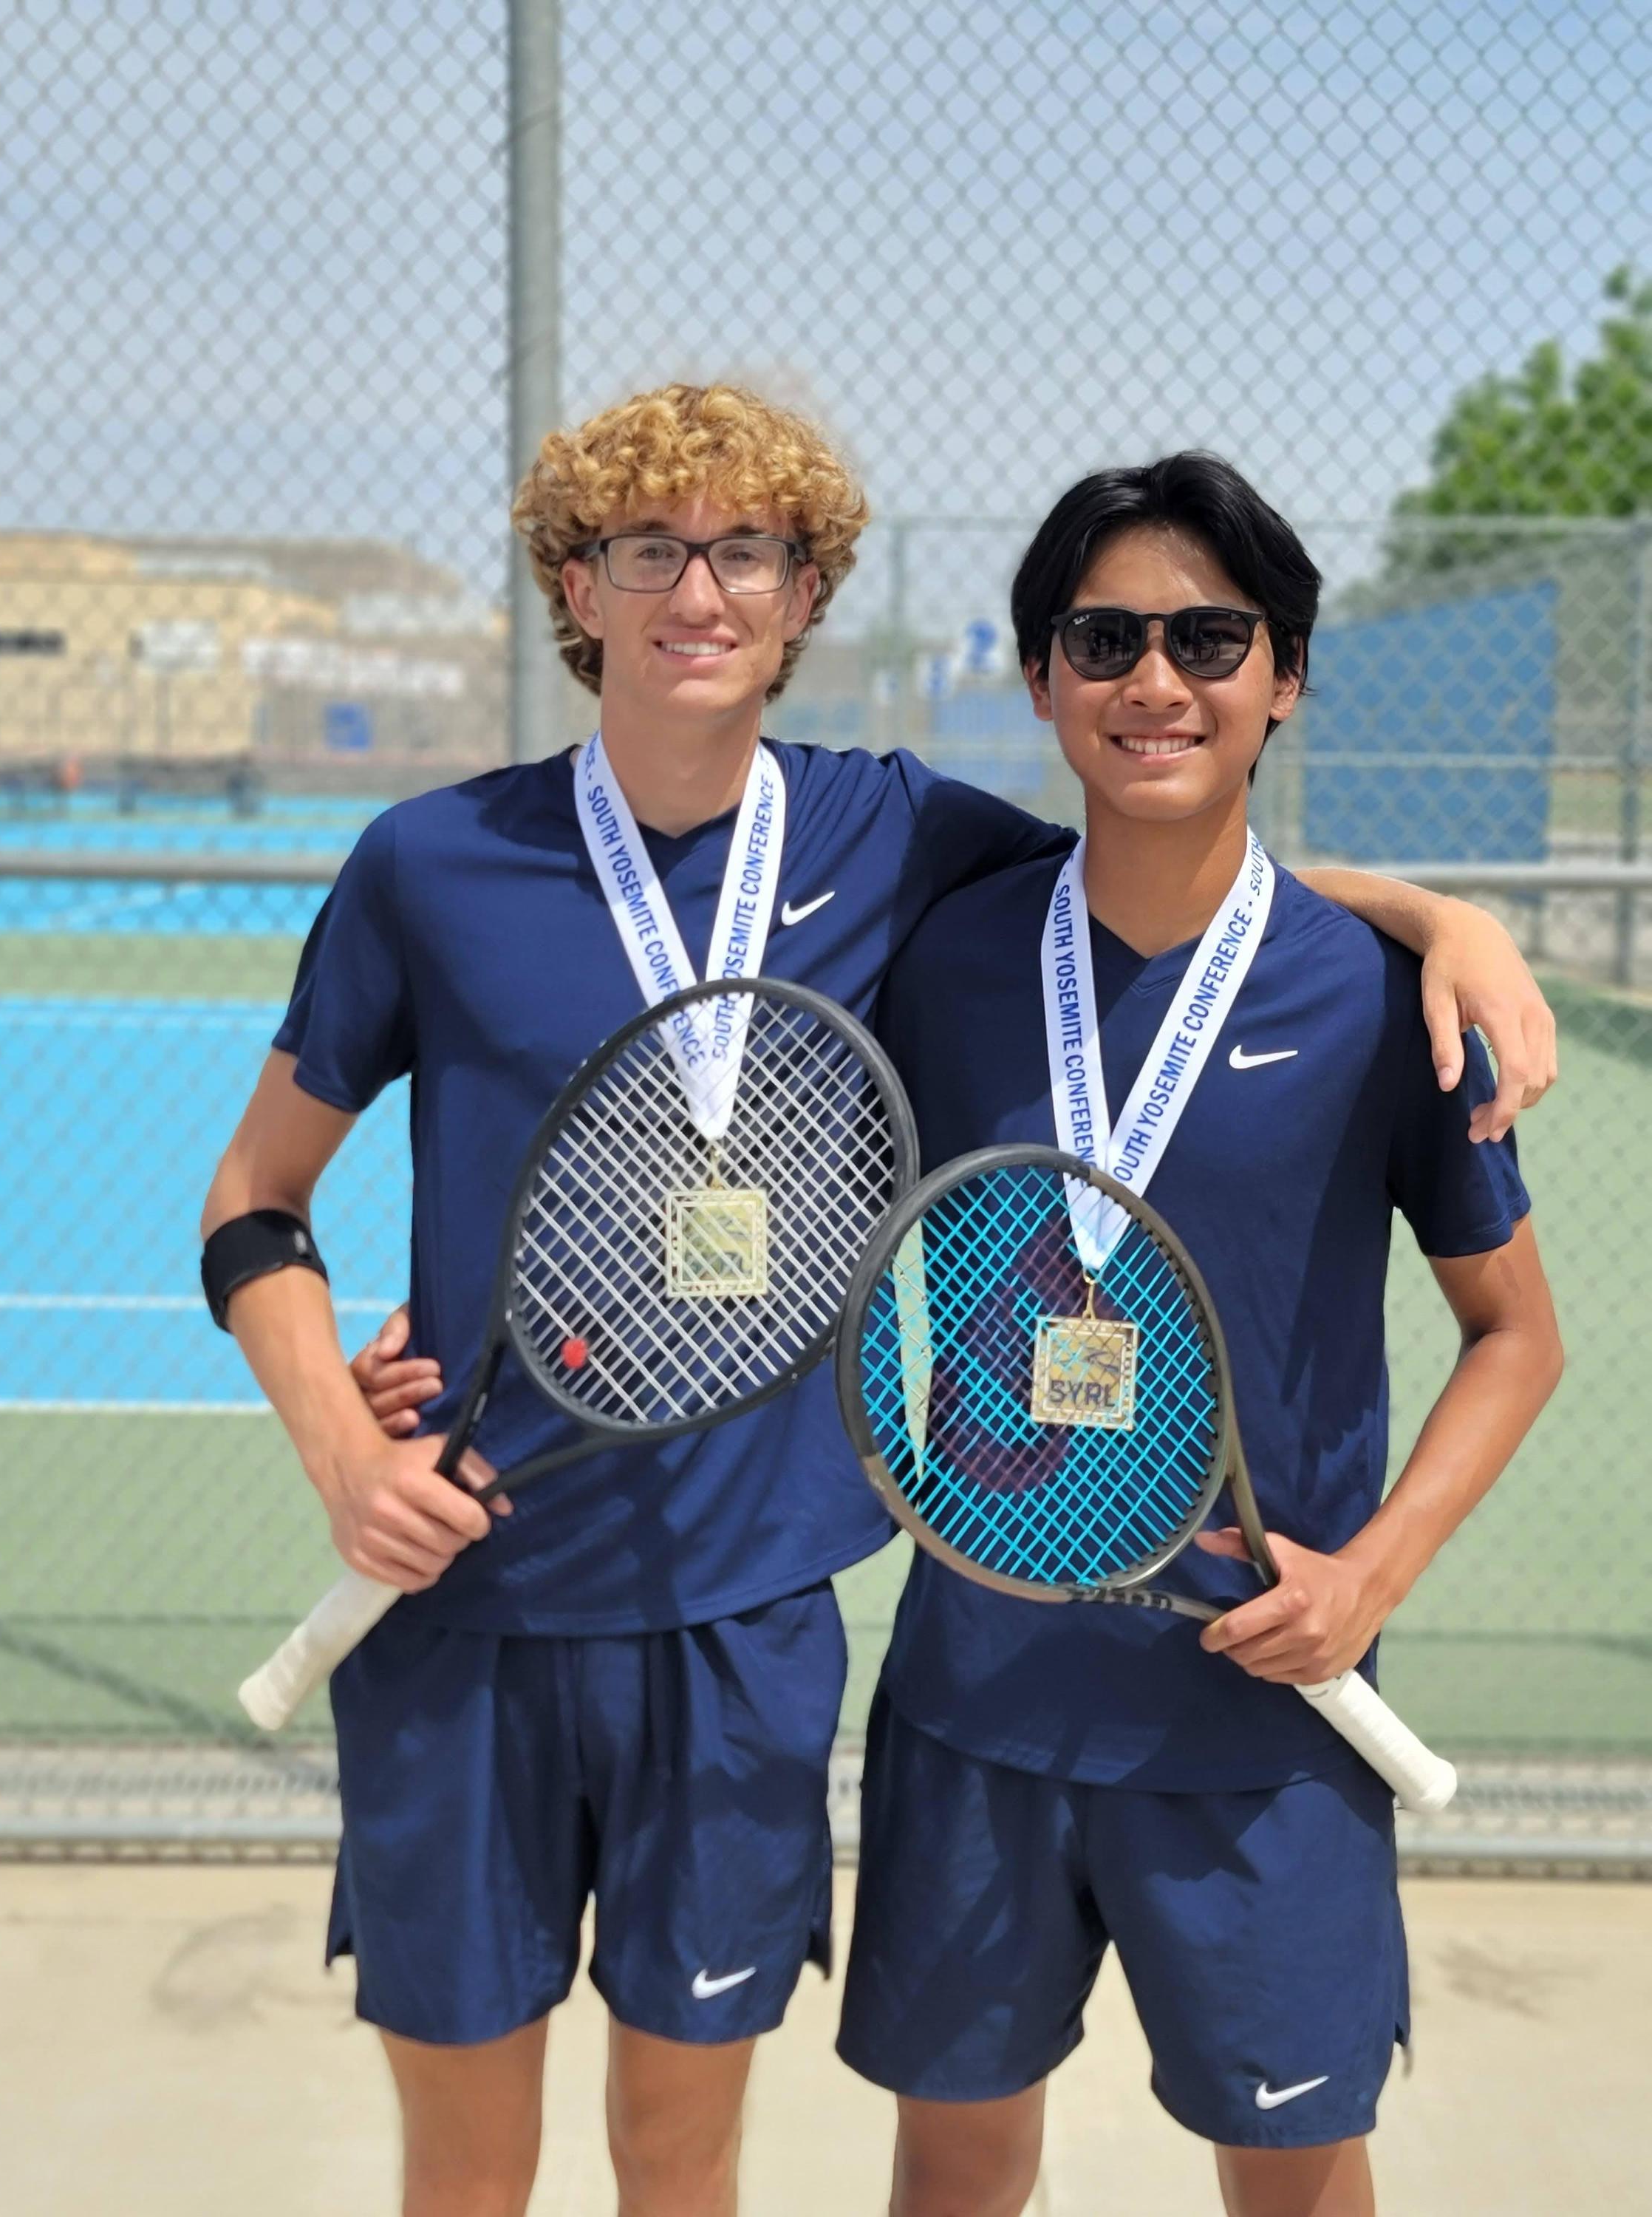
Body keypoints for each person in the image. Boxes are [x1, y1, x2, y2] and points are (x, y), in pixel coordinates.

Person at [215, 385, 1554, 2217]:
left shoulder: (898, 843)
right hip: (487, 1607)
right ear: (576, 585)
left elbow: (1182, 862)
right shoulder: (441, 864)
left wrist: (1439, 922)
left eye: (747, 550)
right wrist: (335, 1439)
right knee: (470, 2170)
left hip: (752, 1623)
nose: (700, 589)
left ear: (806, 594)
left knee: (681, 2156)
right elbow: (255, 1201)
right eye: (649, 549)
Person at [832, 454, 1563, 2217]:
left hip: (1263, 1720)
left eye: (1208, 639)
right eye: (1104, 640)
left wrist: (1370, 1577)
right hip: (978, 1699)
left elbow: (1516, 1336)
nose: (1154, 681)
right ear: (1041, 678)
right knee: (954, 2170)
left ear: (1284, 674)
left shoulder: (1380, 997)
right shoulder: (944, 958)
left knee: (1296, 2175)